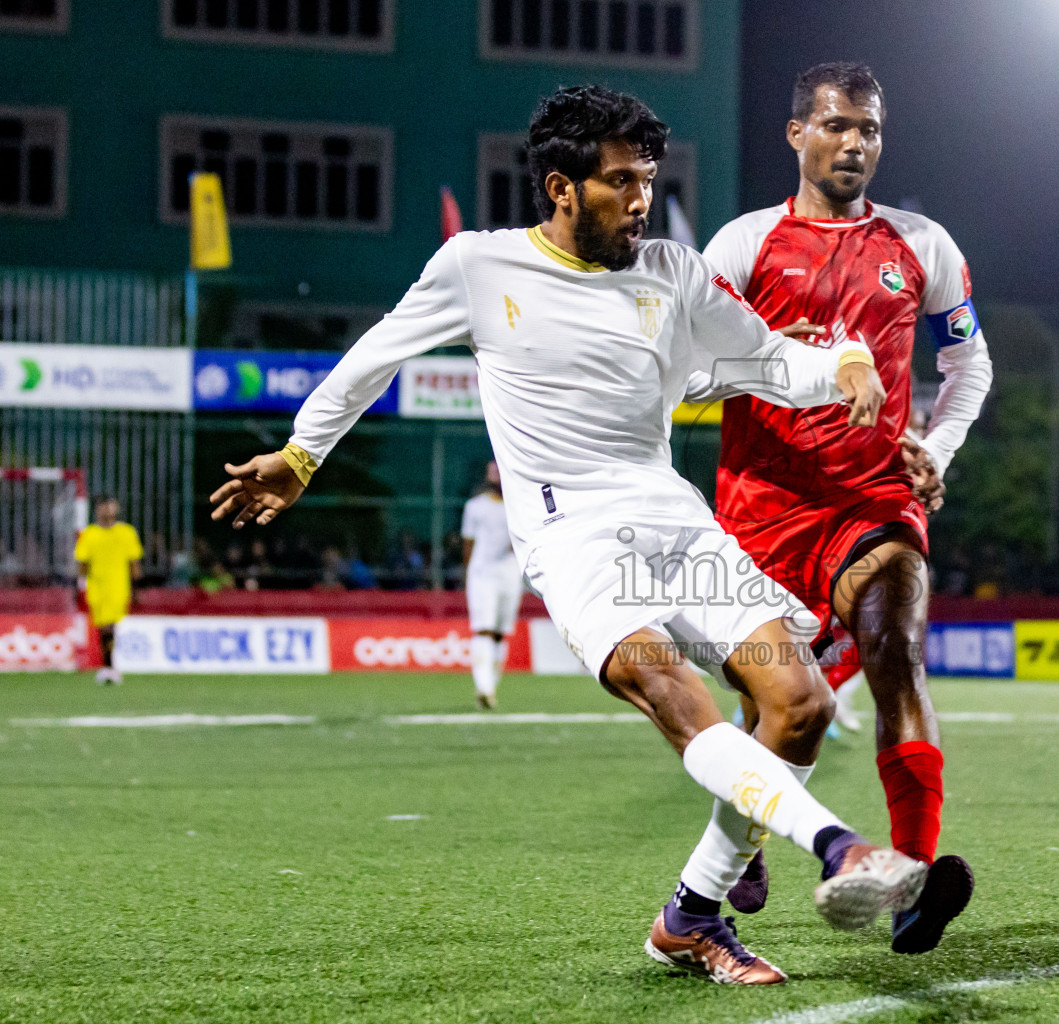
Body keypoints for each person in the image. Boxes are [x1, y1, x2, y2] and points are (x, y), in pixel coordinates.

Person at [208, 85, 922, 986]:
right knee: (671, 689)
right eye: (620, 182)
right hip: (573, 538)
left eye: (647, 181)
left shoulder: (672, 271)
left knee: (803, 704)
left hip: (671, 521)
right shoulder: (479, 266)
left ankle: (691, 918)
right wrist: (300, 455)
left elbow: (767, 357)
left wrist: (844, 363)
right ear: (560, 187)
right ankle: (840, 847)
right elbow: (375, 356)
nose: (639, 201)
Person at [690, 61, 993, 955]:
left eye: (868, 129)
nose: (854, 143)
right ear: (797, 135)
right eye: (836, 126)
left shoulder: (923, 246)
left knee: (897, 652)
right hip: (762, 509)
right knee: (780, 707)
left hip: (875, 502)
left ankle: (911, 880)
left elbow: (968, 367)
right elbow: (692, 368)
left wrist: (932, 453)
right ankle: (744, 832)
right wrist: (802, 367)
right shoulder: (742, 246)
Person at [461, 460, 523, 709]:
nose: (496, 474)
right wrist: (469, 573)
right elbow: (468, 542)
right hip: (483, 574)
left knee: (499, 632)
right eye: (492, 470)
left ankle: (491, 688)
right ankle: (483, 687)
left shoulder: (519, 506)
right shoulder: (475, 507)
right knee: (483, 628)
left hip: (510, 574)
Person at [74, 495, 143, 685]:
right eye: (102, 506)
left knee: (109, 627)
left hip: (119, 586)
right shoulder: (89, 534)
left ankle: (109, 667)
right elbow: (82, 563)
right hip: (96, 587)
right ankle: (108, 666)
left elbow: (134, 562)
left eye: (109, 505)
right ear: (96, 510)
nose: (106, 510)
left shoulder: (127, 532)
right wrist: (80, 585)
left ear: (116, 508)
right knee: (104, 628)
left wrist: (136, 588)